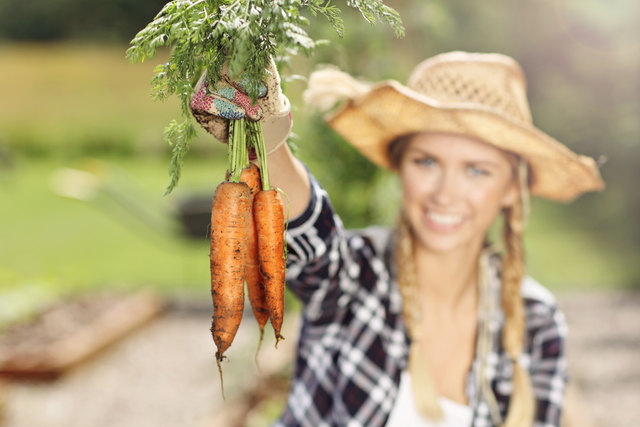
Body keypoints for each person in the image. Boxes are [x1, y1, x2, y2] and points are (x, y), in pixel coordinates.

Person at [190, 51, 604, 426]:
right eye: (427, 161)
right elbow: (311, 239)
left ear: (513, 188)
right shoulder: (358, 275)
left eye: (477, 170)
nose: (445, 192)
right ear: (401, 166)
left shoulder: (537, 321)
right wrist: (269, 138)